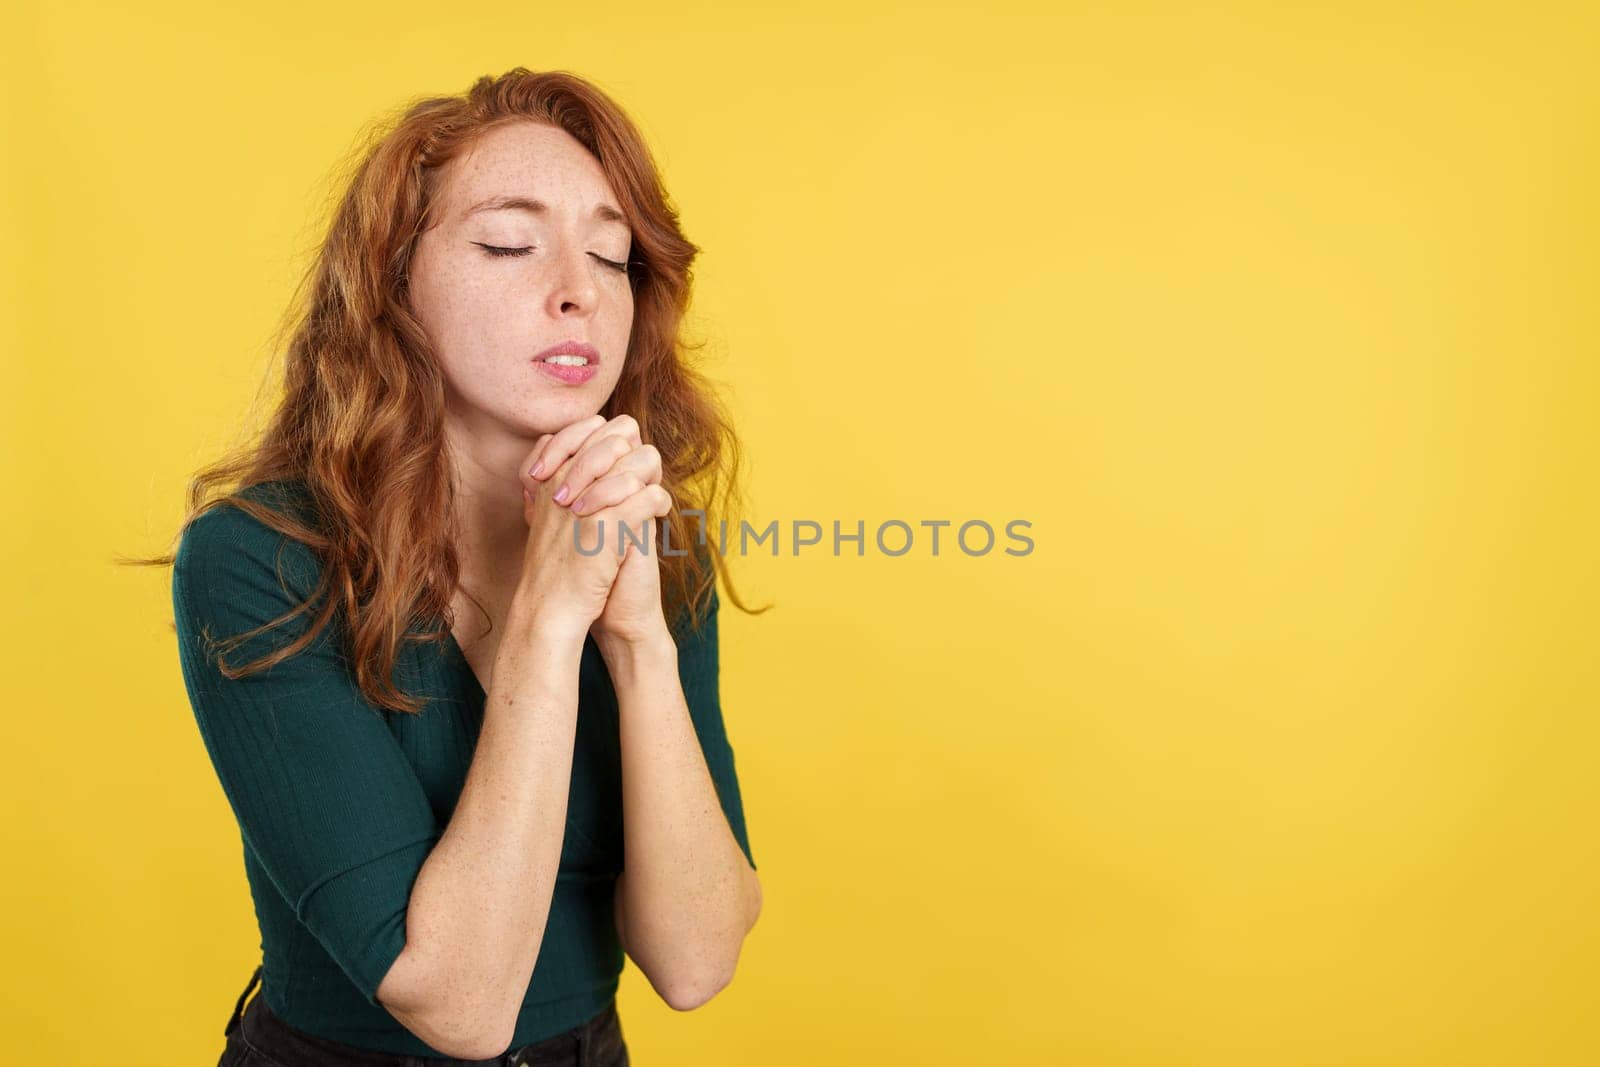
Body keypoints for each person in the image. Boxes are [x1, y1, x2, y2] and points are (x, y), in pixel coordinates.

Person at [152, 68, 764, 1065]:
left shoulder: (654, 536)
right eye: (506, 244)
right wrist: (550, 622)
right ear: (391, 285)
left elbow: (695, 960)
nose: (577, 290)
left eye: (610, 257)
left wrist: (640, 639)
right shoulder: (257, 556)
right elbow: (460, 1005)